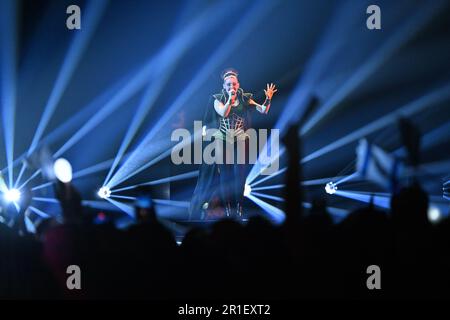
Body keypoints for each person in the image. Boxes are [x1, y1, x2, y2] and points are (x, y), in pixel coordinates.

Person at [189, 69, 277, 219]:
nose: (232, 87)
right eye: (228, 84)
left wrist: (268, 99)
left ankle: (239, 208)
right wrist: (230, 99)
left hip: (239, 140)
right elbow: (223, 112)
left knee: (240, 176)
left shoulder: (245, 98)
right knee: (225, 176)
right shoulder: (217, 99)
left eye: (234, 84)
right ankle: (228, 210)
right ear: (224, 86)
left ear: (238, 85)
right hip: (222, 140)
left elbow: (263, 110)